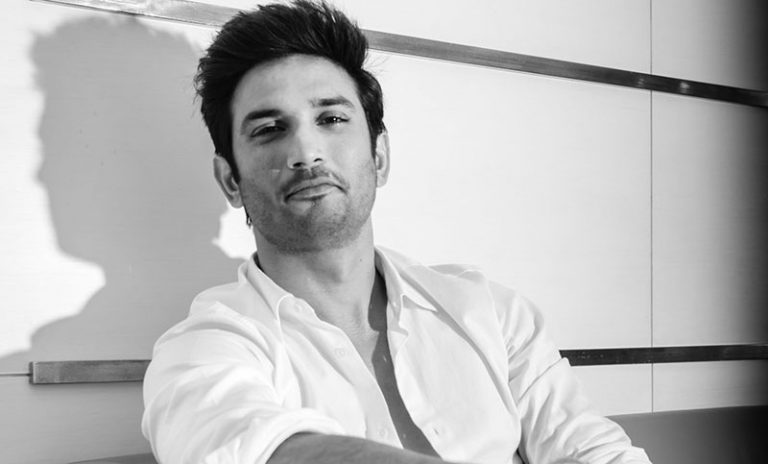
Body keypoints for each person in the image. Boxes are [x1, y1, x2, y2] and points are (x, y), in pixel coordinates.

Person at [141, 1, 652, 463]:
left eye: (331, 118)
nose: (306, 152)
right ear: (231, 181)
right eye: (269, 129)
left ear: (379, 156)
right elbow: (241, 447)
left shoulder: (493, 315)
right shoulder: (205, 347)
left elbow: (596, 452)